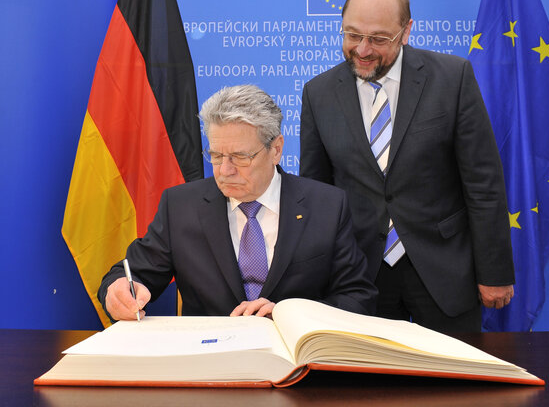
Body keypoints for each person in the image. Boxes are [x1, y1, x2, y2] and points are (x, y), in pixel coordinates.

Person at [299, 0, 514, 332]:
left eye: (379, 39)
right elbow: (315, 195)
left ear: (406, 31)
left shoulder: (452, 78)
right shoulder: (318, 93)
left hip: (445, 271)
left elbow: (483, 184)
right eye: (352, 35)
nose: (363, 50)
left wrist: (495, 272)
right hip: (359, 277)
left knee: (456, 383)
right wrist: (312, 278)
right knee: (371, 387)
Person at [99, 84, 377, 321]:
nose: (225, 170)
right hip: (210, 367)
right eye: (217, 155)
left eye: (241, 157)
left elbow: (358, 298)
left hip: (299, 368)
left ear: (276, 149)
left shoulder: (326, 206)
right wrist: (120, 289)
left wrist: (287, 314)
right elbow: (129, 274)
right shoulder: (181, 206)